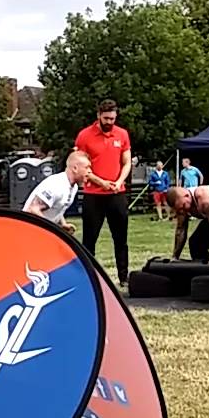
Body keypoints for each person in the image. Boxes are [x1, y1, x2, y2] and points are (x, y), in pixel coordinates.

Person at [75, 99, 133, 287]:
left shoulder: (122, 134)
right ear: (99, 115)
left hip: (117, 193)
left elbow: (127, 162)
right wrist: (101, 182)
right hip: (93, 195)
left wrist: (119, 181)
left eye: (112, 119)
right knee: (89, 239)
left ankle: (123, 277)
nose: (109, 122)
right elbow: (80, 166)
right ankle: (88, 277)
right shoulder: (84, 136)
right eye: (106, 118)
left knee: (121, 238)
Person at [23, 151, 92, 233]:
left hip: (41, 230)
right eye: (87, 167)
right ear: (75, 168)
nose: (90, 171)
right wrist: (53, 229)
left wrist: (63, 224)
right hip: (29, 230)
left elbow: (58, 206)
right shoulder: (56, 185)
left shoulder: (73, 187)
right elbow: (33, 209)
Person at [165, 184, 209, 262]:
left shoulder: (205, 199)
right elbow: (181, 230)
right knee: (195, 242)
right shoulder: (181, 206)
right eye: (179, 210)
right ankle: (200, 265)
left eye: (183, 206)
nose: (182, 211)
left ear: (186, 196)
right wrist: (175, 257)